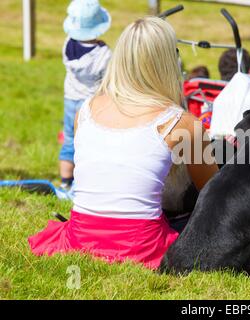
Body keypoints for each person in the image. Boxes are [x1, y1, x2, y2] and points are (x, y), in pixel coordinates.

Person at [28, 17, 219, 269]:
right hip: (141, 245)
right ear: (168, 62)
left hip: (82, 236)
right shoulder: (180, 124)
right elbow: (215, 194)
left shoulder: (85, 110)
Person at [59, 0, 112, 191]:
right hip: (91, 102)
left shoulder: (68, 45)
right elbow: (108, 80)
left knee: (69, 140)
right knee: (91, 142)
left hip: (70, 98)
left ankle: (65, 181)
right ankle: (88, 180)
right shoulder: (104, 54)